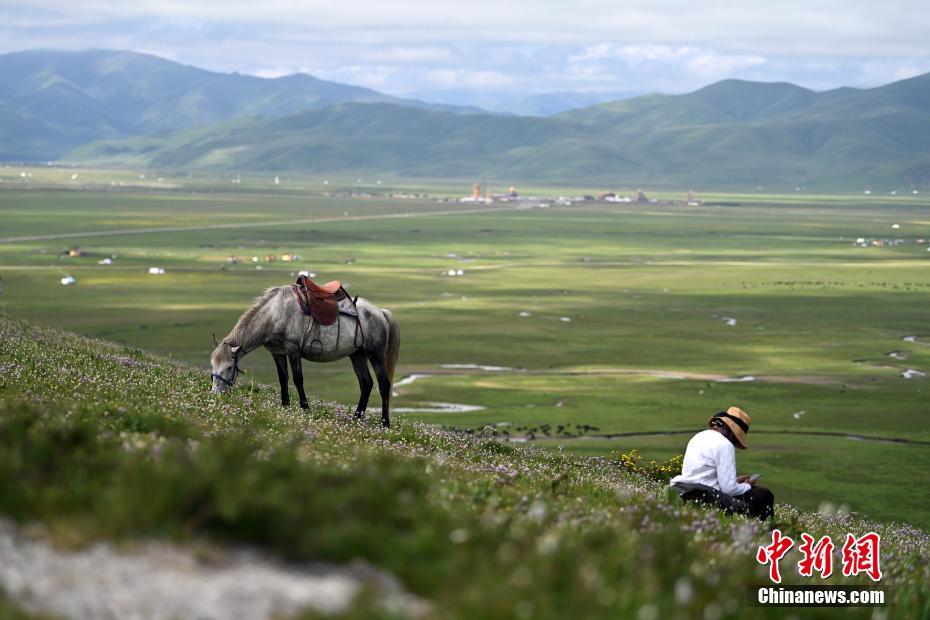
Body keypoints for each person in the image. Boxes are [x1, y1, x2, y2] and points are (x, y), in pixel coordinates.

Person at [669, 406, 774, 521]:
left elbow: (703, 476)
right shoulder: (725, 445)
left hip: (683, 490)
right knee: (763, 495)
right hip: (705, 496)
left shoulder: (698, 436)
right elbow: (728, 489)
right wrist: (747, 485)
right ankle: (761, 527)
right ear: (732, 432)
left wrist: (735, 481)